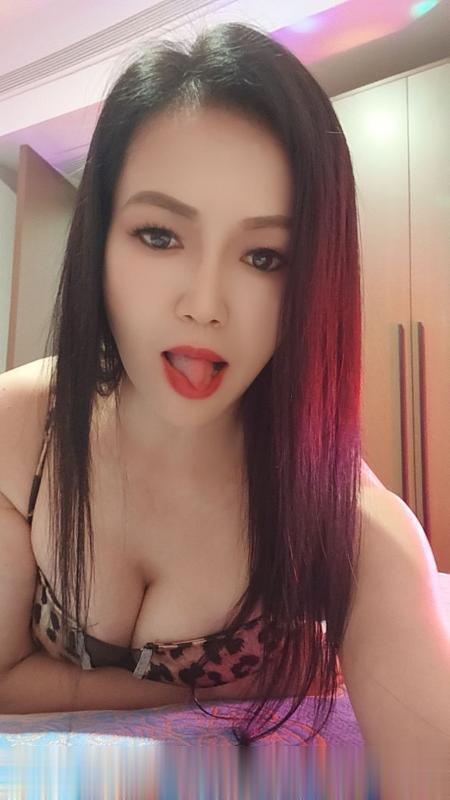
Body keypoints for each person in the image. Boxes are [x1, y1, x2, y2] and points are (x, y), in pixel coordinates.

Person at [0, 20, 448, 791]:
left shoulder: (352, 528)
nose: (205, 305)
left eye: (264, 256)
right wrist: (221, 691)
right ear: (99, 242)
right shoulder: (20, 435)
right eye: (159, 235)